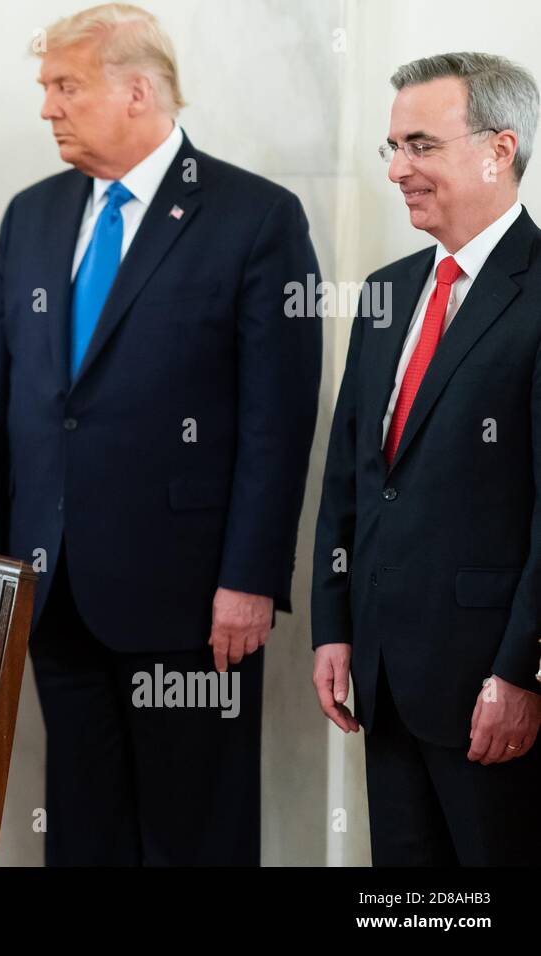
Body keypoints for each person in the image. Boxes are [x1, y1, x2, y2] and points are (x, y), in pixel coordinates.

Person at [0, 3, 322, 865]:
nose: (46, 108)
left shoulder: (255, 217)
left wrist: (250, 579)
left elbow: (280, 420)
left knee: (194, 833)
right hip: (52, 588)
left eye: (63, 87)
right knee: (82, 831)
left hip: (192, 599)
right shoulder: (32, 214)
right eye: (45, 87)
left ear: (136, 90)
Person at [312, 52, 541, 865]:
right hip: (383, 679)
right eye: (393, 148)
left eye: (421, 145)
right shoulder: (386, 292)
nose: (399, 170)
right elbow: (350, 478)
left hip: (491, 691)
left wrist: (521, 674)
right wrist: (332, 624)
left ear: (498, 148)